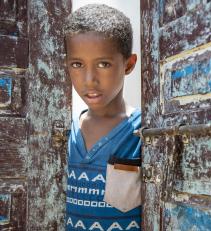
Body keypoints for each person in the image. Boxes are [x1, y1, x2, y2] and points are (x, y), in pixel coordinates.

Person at [63, 4, 141, 230]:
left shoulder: (143, 132)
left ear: (128, 64)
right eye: (77, 64)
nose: (89, 79)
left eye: (103, 64)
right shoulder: (64, 133)